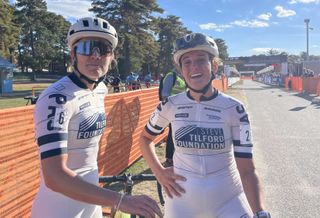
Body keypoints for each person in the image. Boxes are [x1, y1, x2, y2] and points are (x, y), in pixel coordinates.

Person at [31, 17, 162, 218]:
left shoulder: (100, 89)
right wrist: (120, 200)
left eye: (103, 49)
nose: (95, 55)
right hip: (58, 209)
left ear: (112, 56)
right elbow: (54, 176)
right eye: (86, 47)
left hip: (90, 203)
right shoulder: (56, 98)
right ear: (72, 54)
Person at [140, 33, 271, 218]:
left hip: (229, 199)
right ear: (181, 69)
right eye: (187, 62)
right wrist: (159, 172)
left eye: (201, 60)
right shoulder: (169, 105)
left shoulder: (235, 109)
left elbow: (248, 171)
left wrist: (260, 212)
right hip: (182, 201)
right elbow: (145, 138)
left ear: (214, 65)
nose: (194, 67)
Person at [159, 69, 186, 167]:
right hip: (173, 110)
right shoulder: (171, 76)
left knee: (176, 133)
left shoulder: (181, 77)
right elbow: (165, 94)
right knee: (172, 133)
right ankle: (169, 158)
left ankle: (174, 156)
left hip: (181, 110)